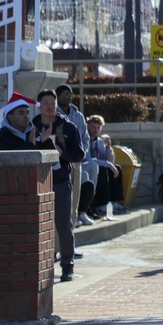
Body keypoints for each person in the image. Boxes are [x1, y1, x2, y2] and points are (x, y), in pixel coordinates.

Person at [31, 89, 86, 283]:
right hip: (36, 183)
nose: (49, 107)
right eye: (45, 103)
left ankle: (67, 266)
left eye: (52, 103)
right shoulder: (32, 126)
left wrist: (61, 153)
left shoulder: (68, 127)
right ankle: (41, 265)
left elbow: (80, 155)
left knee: (64, 226)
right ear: (38, 105)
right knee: (35, 226)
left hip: (61, 181)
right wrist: (40, 142)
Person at [56, 84, 89, 225]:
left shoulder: (78, 116)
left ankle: (77, 216)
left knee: (76, 192)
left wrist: (81, 155)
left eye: (69, 94)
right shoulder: (53, 115)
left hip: (76, 160)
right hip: (60, 162)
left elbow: (85, 138)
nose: (67, 96)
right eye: (64, 94)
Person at [85, 115, 126, 220]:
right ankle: (102, 204)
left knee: (117, 168)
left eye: (98, 128)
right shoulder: (84, 139)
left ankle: (113, 201)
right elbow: (89, 159)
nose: (96, 130)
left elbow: (110, 160)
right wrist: (108, 165)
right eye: (93, 127)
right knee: (103, 170)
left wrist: (108, 147)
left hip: (96, 166)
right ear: (88, 126)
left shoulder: (99, 141)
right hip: (86, 167)